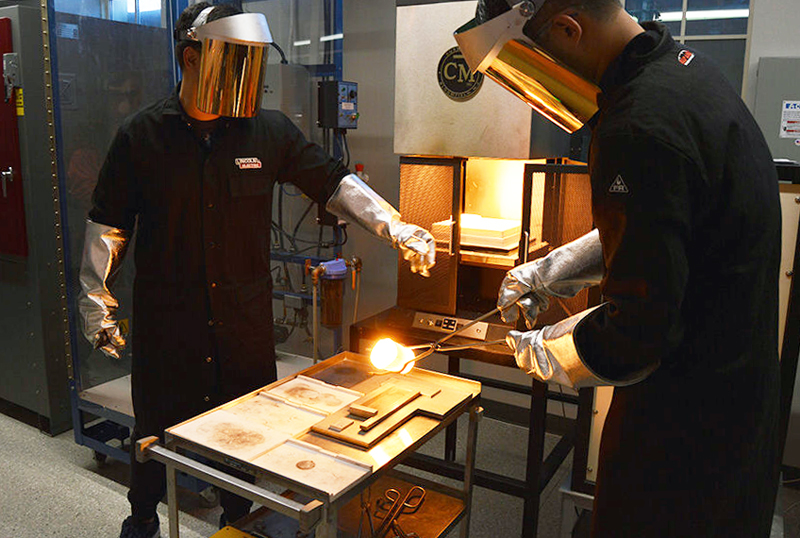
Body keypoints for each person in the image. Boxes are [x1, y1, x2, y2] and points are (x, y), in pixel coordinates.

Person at [77, 4, 436, 538]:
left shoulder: (266, 132)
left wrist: (395, 226)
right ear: (192, 58)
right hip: (170, 324)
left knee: (245, 439)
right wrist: (95, 301)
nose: (248, 79)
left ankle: (238, 520)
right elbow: (109, 223)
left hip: (242, 324)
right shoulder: (142, 135)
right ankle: (143, 518)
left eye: (254, 63)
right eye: (235, 62)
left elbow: (330, 181)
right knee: (156, 436)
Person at [457, 1, 781, 536]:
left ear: (567, 29)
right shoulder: (683, 73)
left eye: (529, 64)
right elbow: (663, 221)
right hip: (735, 413)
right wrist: (550, 272)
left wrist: (545, 351)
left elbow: (636, 336)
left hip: (683, 445)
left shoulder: (636, 125)